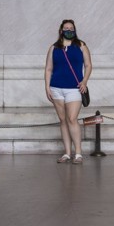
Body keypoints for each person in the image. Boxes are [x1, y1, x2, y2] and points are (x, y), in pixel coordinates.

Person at [44, 19, 92, 164]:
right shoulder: (54, 48)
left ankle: (78, 153)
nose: (69, 30)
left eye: (71, 28)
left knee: (72, 119)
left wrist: (84, 81)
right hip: (56, 87)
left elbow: (89, 65)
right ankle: (67, 153)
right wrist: (47, 87)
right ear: (61, 30)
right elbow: (48, 69)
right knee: (63, 120)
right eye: (66, 28)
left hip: (74, 88)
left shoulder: (81, 46)